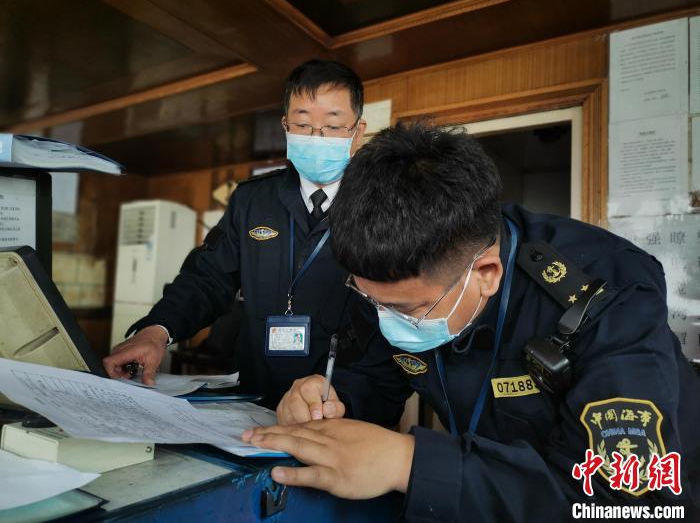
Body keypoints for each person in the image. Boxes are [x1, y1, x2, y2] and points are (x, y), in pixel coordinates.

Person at [242, 122, 700, 521]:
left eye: (405, 310)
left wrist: (409, 463)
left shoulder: (609, 292)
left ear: (486, 275)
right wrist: (334, 398)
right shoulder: (403, 277)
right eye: (369, 299)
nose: (386, 319)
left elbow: (622, 499)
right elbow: (380, 375)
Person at [103, 59, 366, 410]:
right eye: (302, 124)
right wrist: (157, 330)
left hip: (341, 405)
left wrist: (351, 400)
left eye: (332, 126)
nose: (315, 138)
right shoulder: (253, 199)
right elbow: (207, 277)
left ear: (357, 131)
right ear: (285, 126)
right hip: (255, 399)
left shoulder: (381, 205)